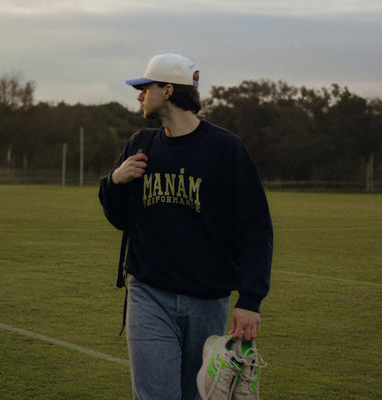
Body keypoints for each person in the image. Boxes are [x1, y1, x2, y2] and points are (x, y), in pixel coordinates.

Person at [99, 53, 273, 400]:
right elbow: (121, 220)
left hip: (208, 300)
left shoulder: (225, 149)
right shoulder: (141, 144)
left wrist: (250, 300)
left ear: (166, 91)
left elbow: (255, 228)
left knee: (197, 395)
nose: (139, 95)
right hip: (149, 294)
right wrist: (114, 182)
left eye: (144, 88)